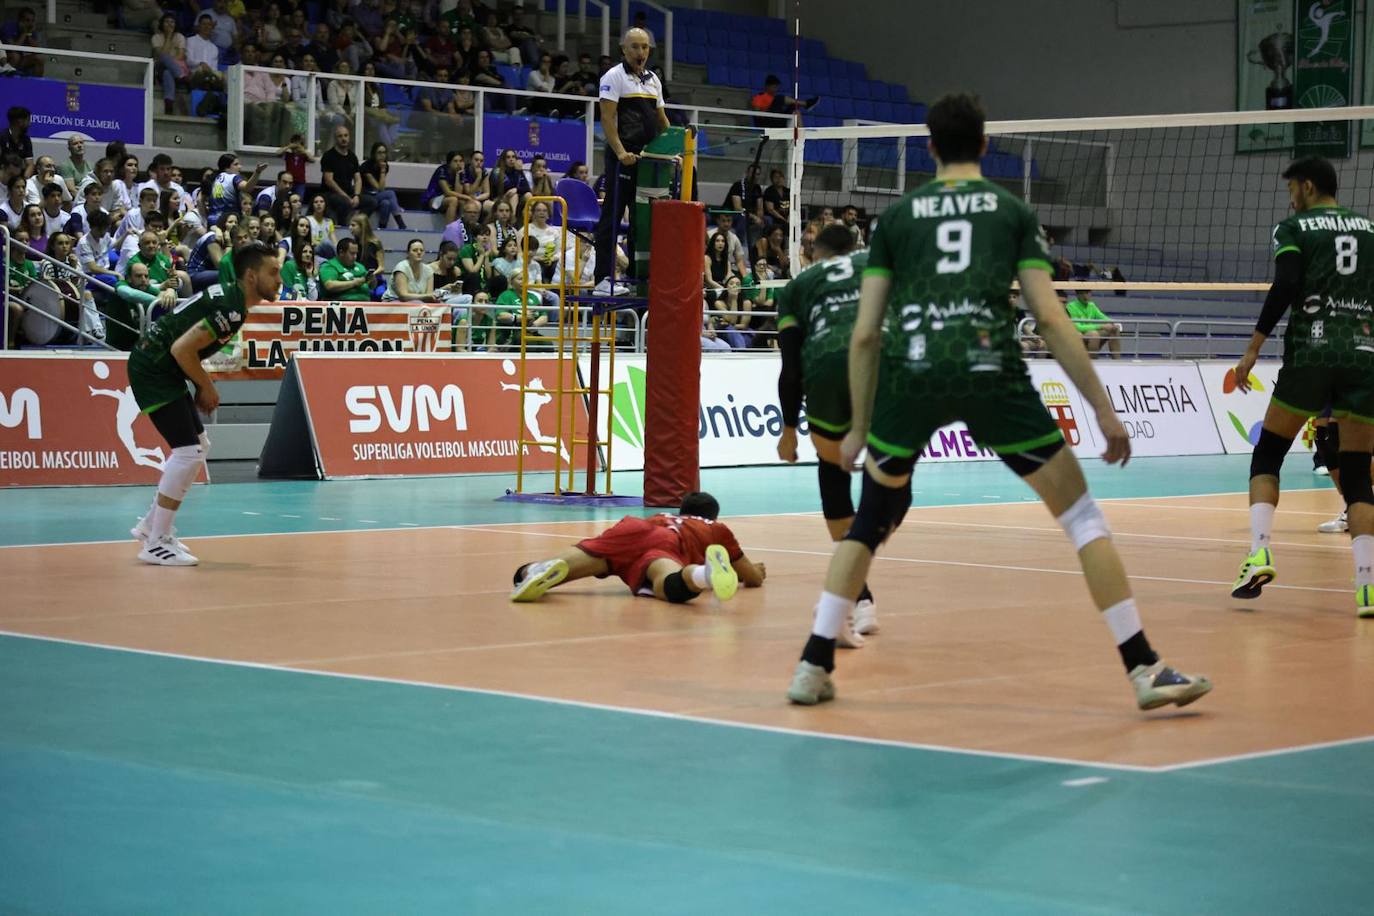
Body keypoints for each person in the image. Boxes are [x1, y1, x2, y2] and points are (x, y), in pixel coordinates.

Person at [784, 92, 1212, 712]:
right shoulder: (1011, 212)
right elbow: (1051, 318)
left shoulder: (897, 219)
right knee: (1083, 519)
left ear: (930, 147)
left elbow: (867, 333)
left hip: (913, 373)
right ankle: (1143, 666)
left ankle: (812, 664)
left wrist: (857, 427)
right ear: (984, 145)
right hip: (991, 371)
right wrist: (1103, 408)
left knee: (868, 523)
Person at [1230, 155, 1374, 617]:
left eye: (1292, 189)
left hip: (1312, 352)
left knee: (1269, 453)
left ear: (1308, 187)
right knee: (1358, 475)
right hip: (1364, 354)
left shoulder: (1293, 229)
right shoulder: (1370, 230)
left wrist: (1253, 348)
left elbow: (1286, 283)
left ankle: (1259, 553)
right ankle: (1368, 586)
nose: (1290, 198)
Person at [127, 244, 280, 567]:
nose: (280, 280)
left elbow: (184, 348)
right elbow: (182, 349)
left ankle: (151, 526)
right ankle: (156, 542)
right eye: (273, 272)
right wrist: (206, 386)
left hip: (161, 365)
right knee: (188, 452)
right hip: (153, 368)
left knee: (199, 445)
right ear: (251, 277)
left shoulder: (234, 301)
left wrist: (201, 383)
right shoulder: (231, 306)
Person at [772, 224, 883, 643]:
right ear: (854, 247)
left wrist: (788, 429)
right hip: (883, 359)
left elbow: (791, 367)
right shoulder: (875, 261)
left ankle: (858, 598)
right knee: (891, 479)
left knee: (833, 475)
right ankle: (857, 596)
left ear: (812, 253)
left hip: (826, 368)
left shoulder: (798, 286)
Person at [510, 492, 765, 604]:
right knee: (665, 580)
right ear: (713, 516)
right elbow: (751, 577)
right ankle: (703, 575)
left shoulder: (663, 516)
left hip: (633, 527)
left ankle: (530, 571)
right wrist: (755, 571)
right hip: (666, 545)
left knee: (595, 555)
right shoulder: (714, 528)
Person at [593, 27, 670, 287]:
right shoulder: (613, 76)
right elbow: (607, 119)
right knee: (612, 218)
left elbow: (662, 121)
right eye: (635, 47)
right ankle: (603, 279)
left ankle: (638, 278)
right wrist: (620, 152)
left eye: (644, 47)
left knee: (642, 221)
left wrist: (673, 150)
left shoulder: (653, 80)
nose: (640, 52)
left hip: (647, 161)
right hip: (622, 158)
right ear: (624, 49)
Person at [319, 125, 362, 226]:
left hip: (348, 193)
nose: (343, 139)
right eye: (340, 136)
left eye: (346, 135)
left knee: (371, 202)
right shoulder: (329, 156)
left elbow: (358, 179)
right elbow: (329, 181)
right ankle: (344, 227)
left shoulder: (352, 157)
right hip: (330, 193)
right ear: (335, 138)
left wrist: (356, 195)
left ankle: (358, 223)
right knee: (344, 202)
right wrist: (346, 197)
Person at [360, 143, 406, 229]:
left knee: (386, 203)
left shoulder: (385, 166)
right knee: (390, 193)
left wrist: (383, 170)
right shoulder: (366, 166)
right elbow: (379, 188)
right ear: (374, 154)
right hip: (366, 196)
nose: (382, 155)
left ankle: (382, 227)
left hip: (377, 195)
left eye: (384, 152)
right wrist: (382, 171)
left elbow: (381, 188)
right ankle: (400, 222)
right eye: (379, 152)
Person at [1066, 288, 1122, 357]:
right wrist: (1100, 326)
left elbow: (1103, 317)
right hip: (1080, 334)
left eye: (1087, 293)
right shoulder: (1071, 306)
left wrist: (1114, 323)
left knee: (1114, 329)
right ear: (1077, 295)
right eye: (1082, 293)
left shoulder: (1092, 305)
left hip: (1091, 331)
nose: (1085, 296)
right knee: (1094, 334)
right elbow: (1078, 327)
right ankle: (1093, 360)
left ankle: (1117, 359)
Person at [319, 236, 375, 302]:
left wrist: (372, 280)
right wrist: (354, 283)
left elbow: (371, 286)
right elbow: (330, 285)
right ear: (341, 252)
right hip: (342, 304)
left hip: (365, 303)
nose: (355, 257)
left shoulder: (360, 266)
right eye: (352, 253)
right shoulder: (329, 266)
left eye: (356, 253)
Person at [750, 74, 817, 117]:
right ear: (767, 86)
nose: (776, 90)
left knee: (795, 109)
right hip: (767, 120)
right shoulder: (759, 97)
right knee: (779, 99)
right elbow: (757, 113)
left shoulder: (773, 97)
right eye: (774, 87)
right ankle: (805, 104)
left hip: (779, 118)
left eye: (777, 87)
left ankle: (800, 135)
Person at [0, 107, 33, 178]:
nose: (29, 124)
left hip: (19, 178)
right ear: (19, 121)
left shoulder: (26, 139)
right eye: (28, 121)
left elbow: (30, 164)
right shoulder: (2, 137)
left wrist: (24, 180)